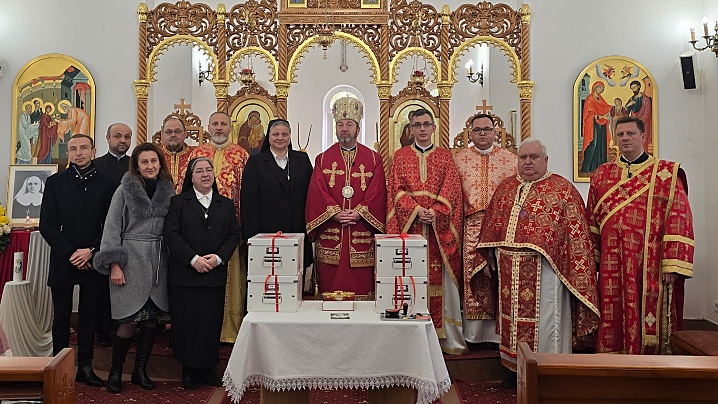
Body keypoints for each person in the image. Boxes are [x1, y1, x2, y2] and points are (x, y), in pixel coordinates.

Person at [475, 138, 600, 373]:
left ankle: (547, 370)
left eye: (533, 157)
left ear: (545, 160)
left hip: (547, 274)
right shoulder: (506, 188)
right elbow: (492, 227)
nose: (528, 162)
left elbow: (577, 240)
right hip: (508, 269)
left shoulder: (563, 190)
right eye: (523, 158)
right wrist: (488, 256)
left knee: (545, 324)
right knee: (511, 321)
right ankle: (514, 370)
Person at [587, 116, 694, 355]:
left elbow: (679, 217)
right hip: (611, 262)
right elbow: (591, 222)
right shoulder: (601, 175)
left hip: (650, 263)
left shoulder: (666, 174)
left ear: (643, 137)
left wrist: (672, 264)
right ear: (614, 138)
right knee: (612, 310)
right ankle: (611, 364)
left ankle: (652, 369)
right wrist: (591, 263)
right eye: (621, 134)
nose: (625, 138)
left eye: (631, 134)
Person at [92, 143, 174, 393]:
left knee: (151, 322)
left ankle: (141, 370)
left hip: (158, 261)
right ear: (136, 166)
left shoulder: (169, 191)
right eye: (144, 162)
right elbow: (111, 227)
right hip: (130, 261)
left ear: (160, 164)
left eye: (153, 161)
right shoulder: (123, 191)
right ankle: (116, 371)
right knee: (128, 322)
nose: (150, 166)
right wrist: (114, 264)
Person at [386, 108, 467, 355]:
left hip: (437, 232)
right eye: (417, 125)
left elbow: (453, 189)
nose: (422, 129)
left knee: (440, 282)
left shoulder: (444, 157)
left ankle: (446, 339)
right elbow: (395, 191)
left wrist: (437, 212)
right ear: (410, 129)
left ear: (434, 128)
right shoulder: (400, 156)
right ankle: (410, 338)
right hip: (410, 229)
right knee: (410, 278)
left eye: (426, 124)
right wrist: (416, 210)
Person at [39, 134, 116, 388]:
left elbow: (111, 224)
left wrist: (91, 250)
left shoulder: (107, 183)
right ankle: (59, 366)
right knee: (61, 315)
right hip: (64, 258)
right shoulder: (55, 182)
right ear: (68, 153)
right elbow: (47, 225)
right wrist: (72, 253)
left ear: (93, 151)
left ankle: (85, 365)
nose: (79, 152)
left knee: (88, 315)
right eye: (73, 149)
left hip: (93, 259)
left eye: (84, 148)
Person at [164, 157, 241, 389]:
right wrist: (194, 259)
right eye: (199, 171)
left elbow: (233, 236)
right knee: (187, 323)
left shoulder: (225, 204)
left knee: (209, 322)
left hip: (213, 274)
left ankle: (208, 368)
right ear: (191, 176)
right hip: (185, 275)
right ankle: (189, 370)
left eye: (209, 170)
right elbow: (171, 235)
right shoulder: (178, 202)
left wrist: (217, 258)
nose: (205, 174)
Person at [305, 97, 386, 296]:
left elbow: (377, 191)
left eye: (349, 124)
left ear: (357, 129)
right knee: (330, 289)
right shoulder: (323, 159)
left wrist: (359, 212)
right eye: (340, 124)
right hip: (332, 229)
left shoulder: (374, 159)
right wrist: (334, 212)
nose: (344, 128)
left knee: (361, 288)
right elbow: (318, 191)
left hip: (361, 228)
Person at [453, 113, 517, 346]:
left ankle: (499, 333)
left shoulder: (511, 160)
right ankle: (473, 334)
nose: (482, 133)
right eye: (478, 130)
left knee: (498, 277)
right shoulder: (459, 160)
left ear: (494, 132)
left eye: (487, 129)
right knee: (472, 276)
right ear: (470, 133)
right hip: (470, 226)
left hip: (501, 228)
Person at [190, 112, 249, 343]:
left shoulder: (241, 155)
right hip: (198, 228)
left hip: (229, 229)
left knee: (233, 278)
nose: (219, 128)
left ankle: (231, 329)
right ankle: (203, 327)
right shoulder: (198, 154)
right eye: (215, 124)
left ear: (230, 127)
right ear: (208, 127)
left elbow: (246, 194)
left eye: (223, 124)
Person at [240, 119, 314, 269]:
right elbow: (248, 201)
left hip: (298, 230)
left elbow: (312, 194)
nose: (280, 138)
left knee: (296, 278)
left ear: (289, 136)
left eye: (284, 134)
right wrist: (251, 236)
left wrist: (311, 229)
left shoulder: (302, 160)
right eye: (276, 134)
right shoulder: (256, 162)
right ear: (268, 137)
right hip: (266, 232)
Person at [580, 81, 612, 173]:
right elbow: (589, 115)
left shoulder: (600, 98)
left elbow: (606, 107)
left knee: (600, 144)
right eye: (600, 87)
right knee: (592, 145)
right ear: (595, 87)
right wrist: (601, 117)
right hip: (592, 124)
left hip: (600, 125)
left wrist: (616, 107)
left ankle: (599, 168)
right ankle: (586, 168)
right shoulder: (590, 99)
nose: (601, 90)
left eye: (602, 88)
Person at [160, 117, 195, 194]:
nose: (173, 135)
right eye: (168, 132)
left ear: (185, 134)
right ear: (162, 134)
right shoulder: (155, 155)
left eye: (177, 131)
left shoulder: (195, 155)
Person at [625, 79, 652, 152]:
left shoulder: (646, 99)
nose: (633, 90)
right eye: (632, 88)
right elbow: (625, 113)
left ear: (639, 87)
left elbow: (647, 113)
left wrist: (639, 123)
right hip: (634, 125)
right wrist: (628, 105)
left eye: (634, 87)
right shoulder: (631, 99)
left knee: (642, 143)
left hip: (643, 125)